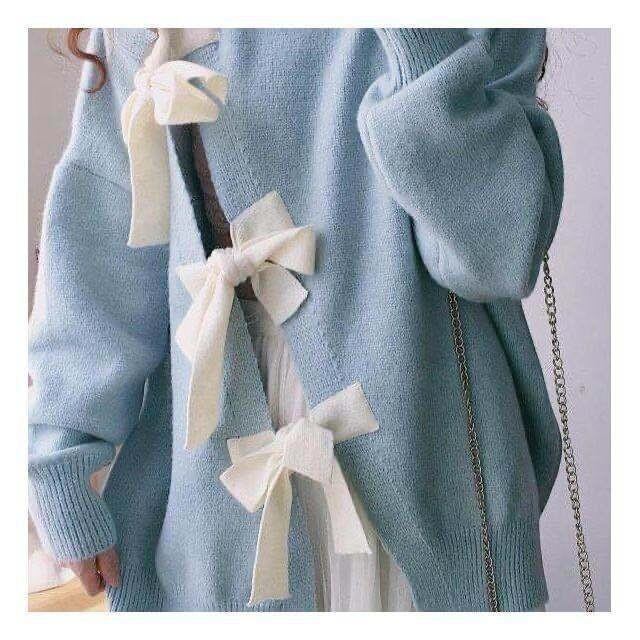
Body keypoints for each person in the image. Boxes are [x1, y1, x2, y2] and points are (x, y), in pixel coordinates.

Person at [28, 28, 563, 612]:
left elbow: (497, 256)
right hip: (220, 465)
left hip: (423, 453)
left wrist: (416, 36)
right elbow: (103, 228)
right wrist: (60, 456)